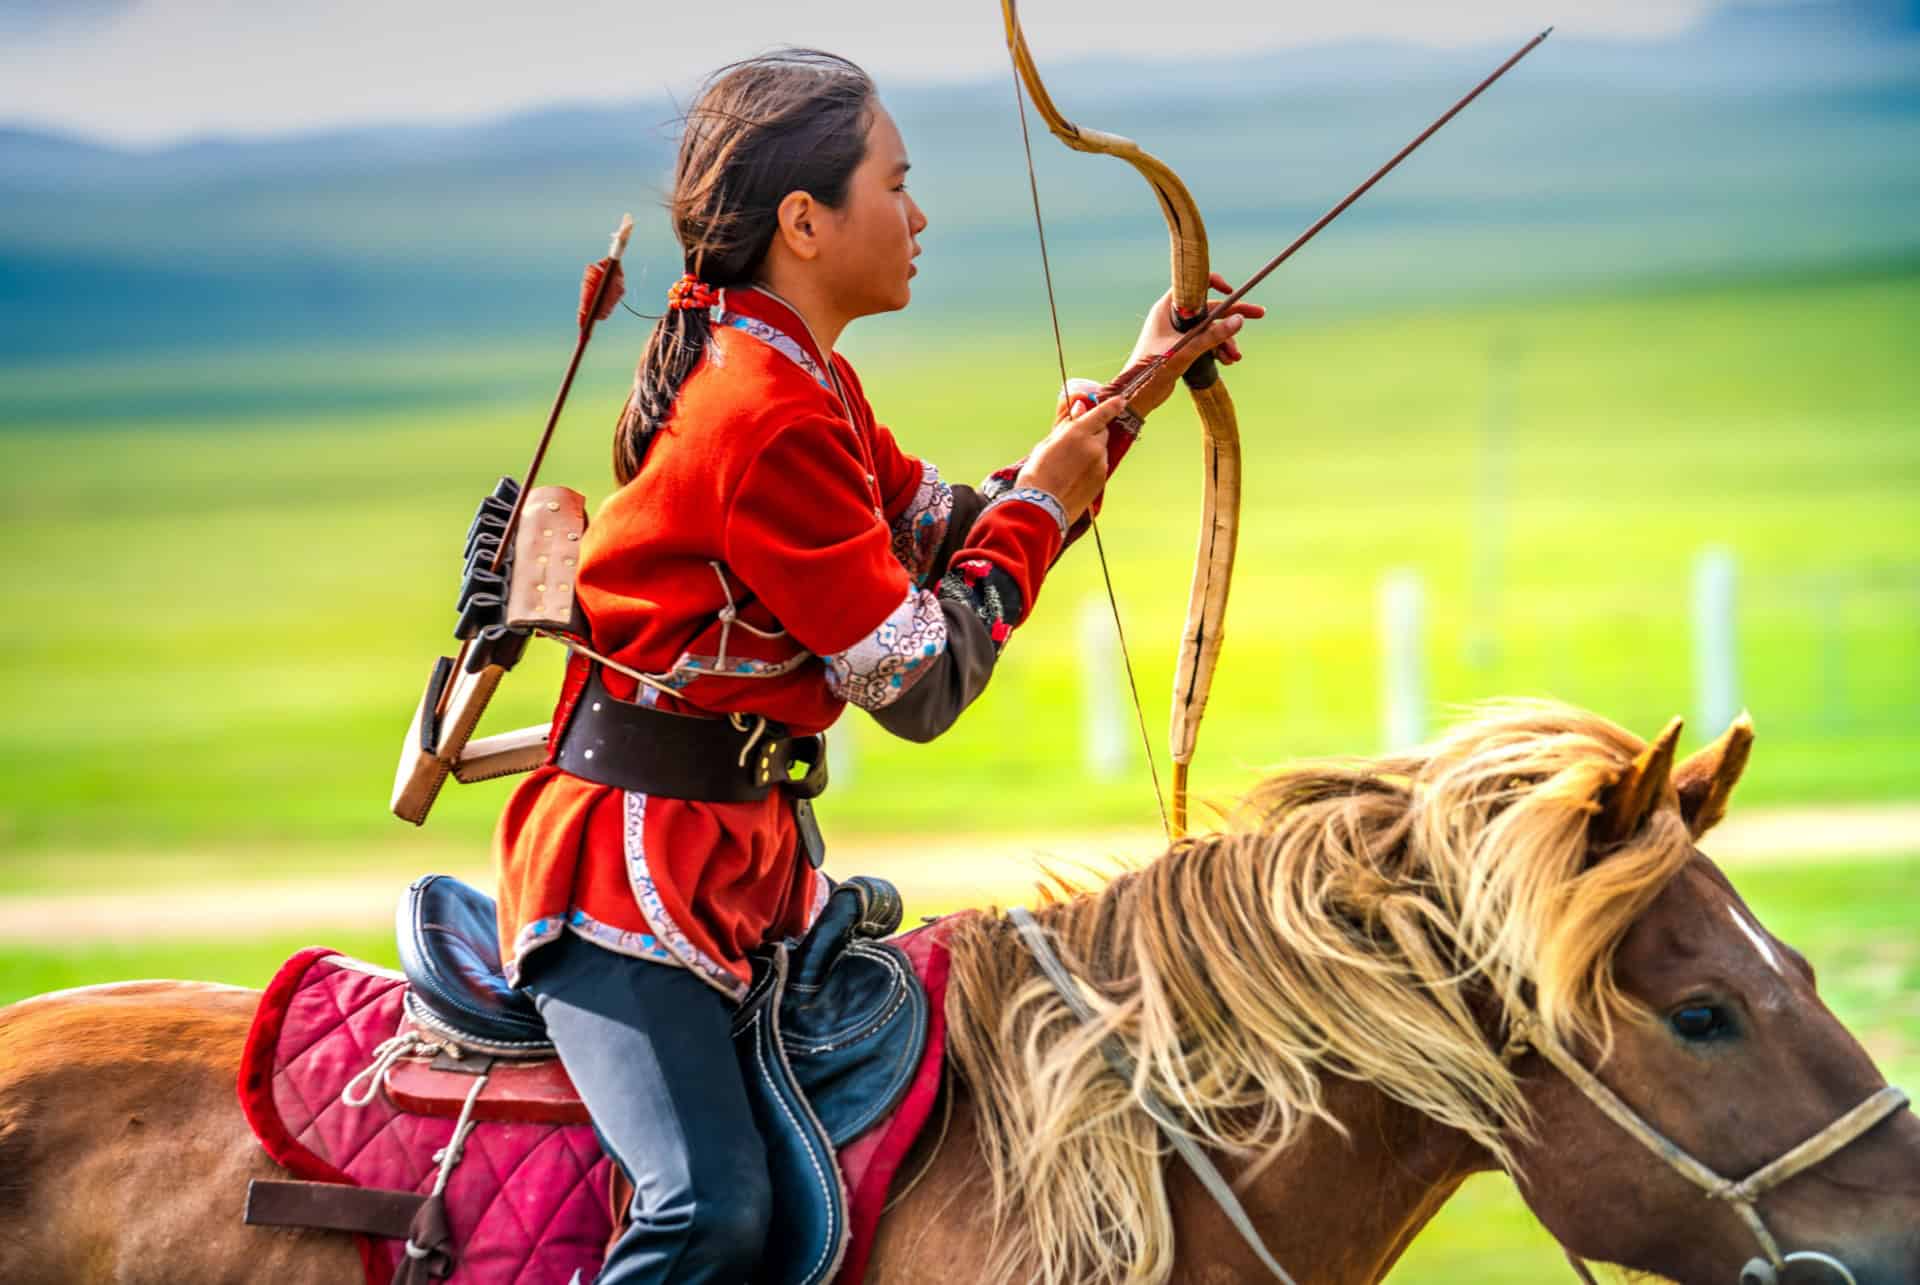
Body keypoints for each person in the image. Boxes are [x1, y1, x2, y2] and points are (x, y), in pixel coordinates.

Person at [493, 48, 1261, 1284]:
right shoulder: (765, 411)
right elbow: (915, 679)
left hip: (734, 862)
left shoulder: (800, 375)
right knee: (709, 1213)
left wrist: (1125, 398)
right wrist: (1051, 513)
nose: (918, 217)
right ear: (805, 221)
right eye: (895, 186)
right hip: (630, 886)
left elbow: (940, 527)